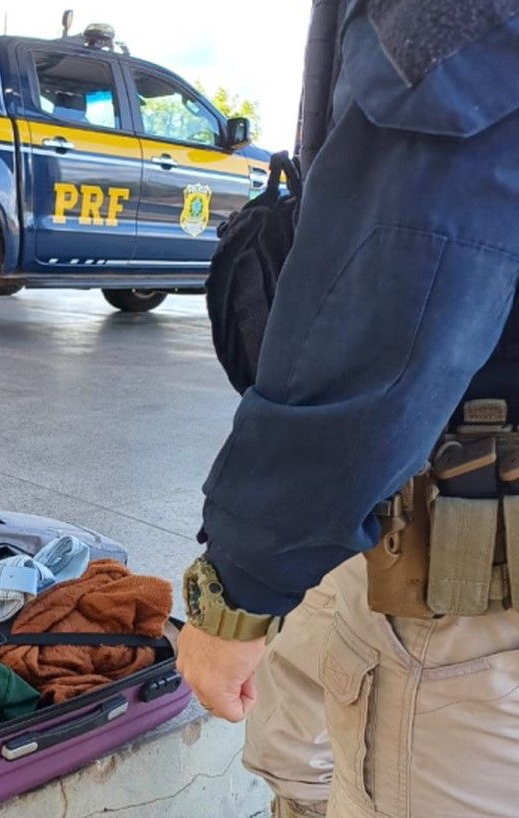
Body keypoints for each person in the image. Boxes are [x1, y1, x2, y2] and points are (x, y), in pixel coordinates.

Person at [175, 2, 519, 817]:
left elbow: (404, 288)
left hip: (463, 595)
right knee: (301, 764)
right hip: (405, 546)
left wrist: (237, 595)